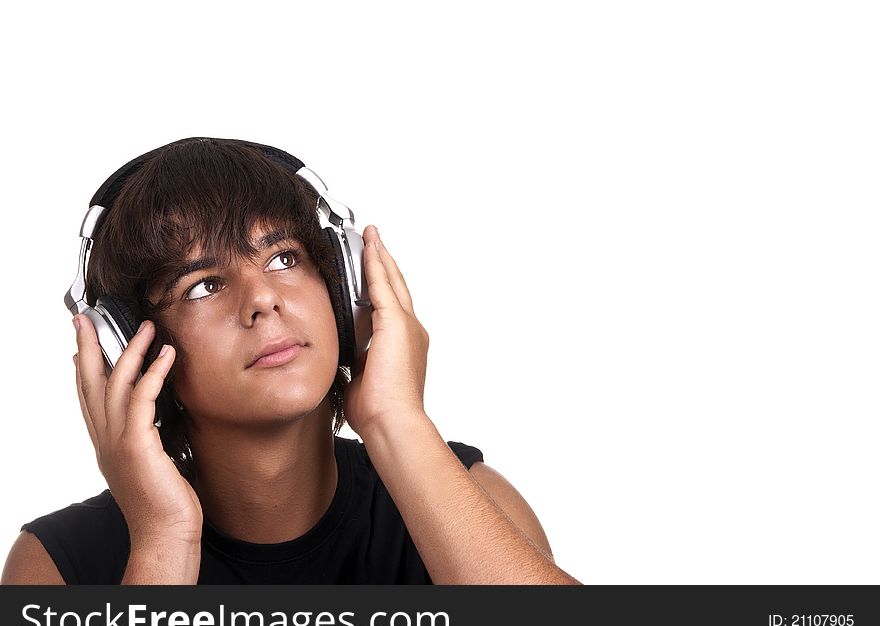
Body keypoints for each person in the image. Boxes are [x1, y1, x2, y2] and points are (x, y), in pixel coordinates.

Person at [1, 138, 581, 584]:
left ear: (344, 286)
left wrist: (396, 421)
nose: (262, 299)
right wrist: (162, 539)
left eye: (283, 257)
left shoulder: (466, 497)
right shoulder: (58, 566)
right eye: (203, 286)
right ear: (130, 346)